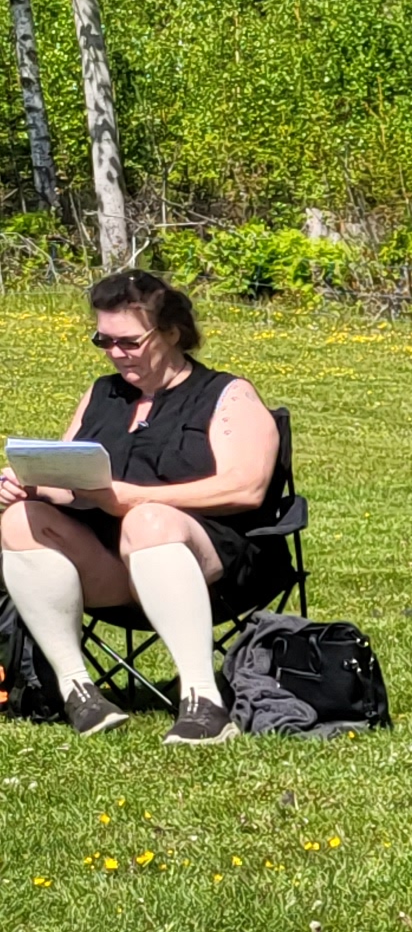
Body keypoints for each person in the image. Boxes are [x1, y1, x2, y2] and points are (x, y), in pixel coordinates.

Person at [0, 271, 283, 746]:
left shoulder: (227, 394)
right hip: (109, 564)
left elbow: (247, 487)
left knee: (148, 521)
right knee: (19, 521)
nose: (115, 353)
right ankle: (77, 691)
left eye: (129, 342)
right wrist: (29, 485)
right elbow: (72, 483)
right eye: (103, 341)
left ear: (171, 333)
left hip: (207, 564)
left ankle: (204, 701)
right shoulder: (102, 394)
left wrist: (134, 498)